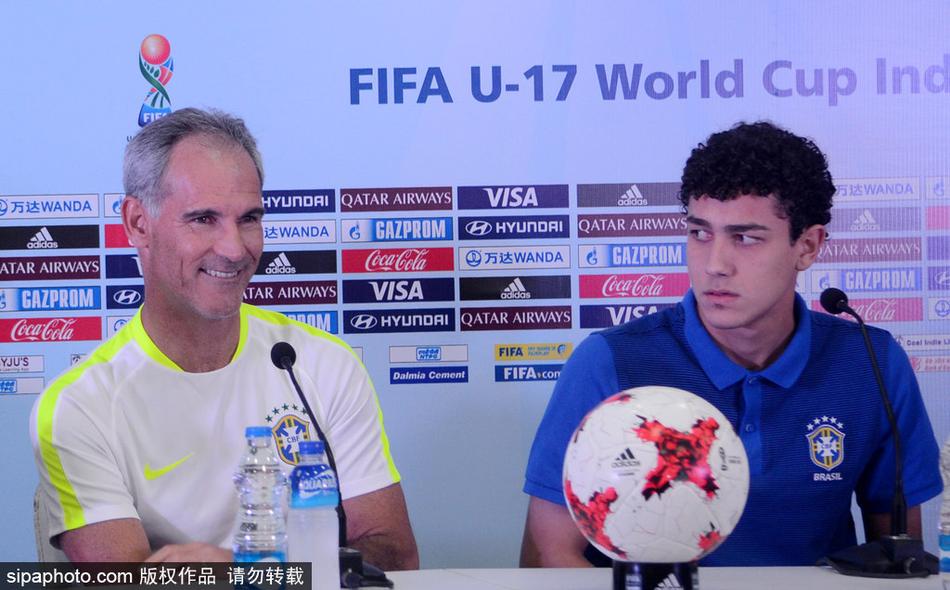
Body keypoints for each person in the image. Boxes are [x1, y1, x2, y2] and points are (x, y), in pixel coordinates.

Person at [520, 121, 943, 567]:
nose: (715, 265)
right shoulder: (610, 362)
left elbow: (896, 558)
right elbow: (548, 555)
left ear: (807, 246)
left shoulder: (872, 363)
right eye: (700, 233)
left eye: (745, 238)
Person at [30, 108, 419, 569]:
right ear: (137, 223)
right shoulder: (79, 406)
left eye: (249, 218)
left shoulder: (320, 363)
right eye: (203, 219)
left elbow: (394, 556)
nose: (235, 249)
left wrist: (247, 568)